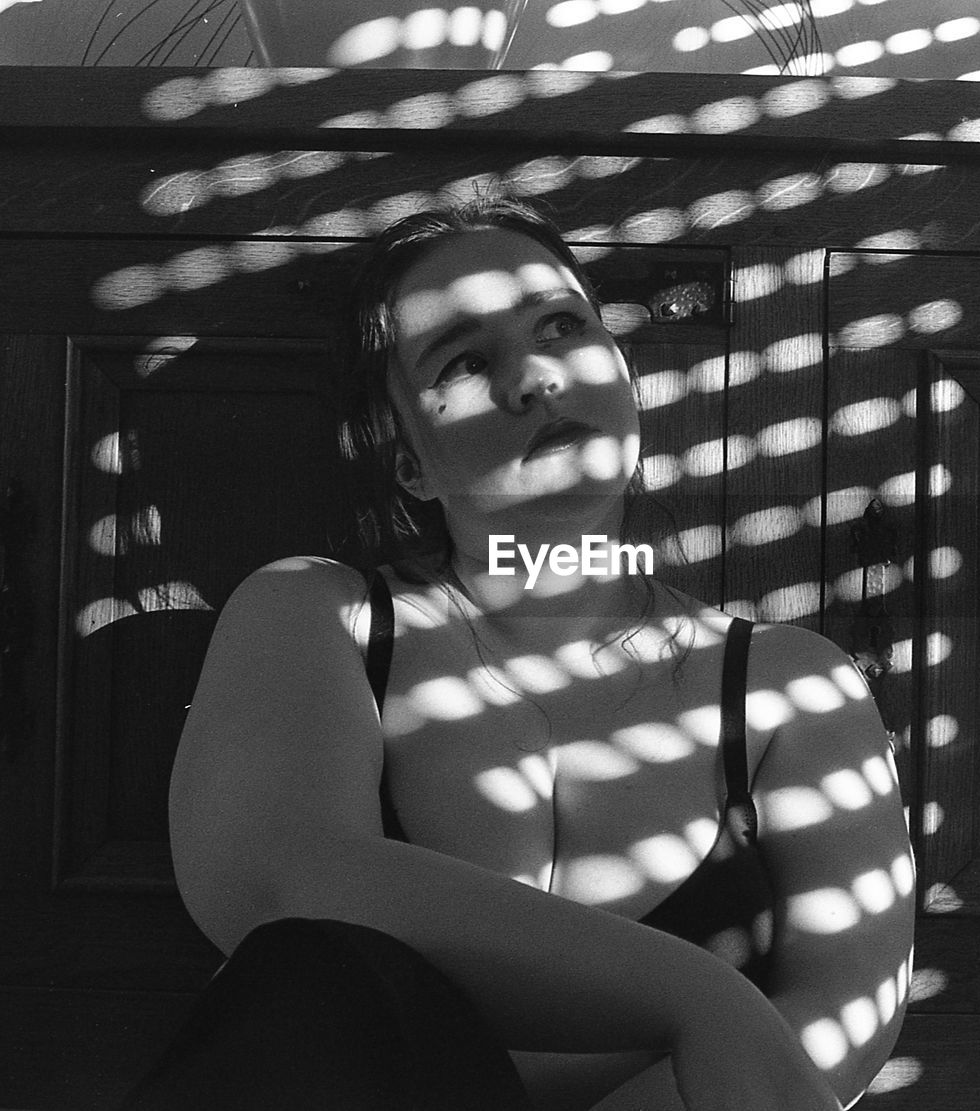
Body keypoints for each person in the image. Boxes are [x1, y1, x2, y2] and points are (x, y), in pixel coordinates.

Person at [123, 197, 914, 1111]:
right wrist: (701, 998)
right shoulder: (318, 612)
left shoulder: (788, 685)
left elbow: (844, 1013)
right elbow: (278, 878)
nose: (535, 373)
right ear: (407, 458)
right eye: (463, 359)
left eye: (563, 325)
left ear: (624, 372)